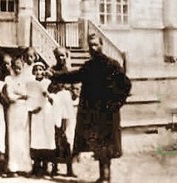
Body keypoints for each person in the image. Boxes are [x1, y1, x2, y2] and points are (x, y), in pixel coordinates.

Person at [49, 33, 132, 183]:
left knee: (107, 145)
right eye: (90, 45)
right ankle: (103, 176)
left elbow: (126, 85)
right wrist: (55, 76)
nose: (93, 48)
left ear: (101, 45)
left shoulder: (112, 65)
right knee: (99, 144)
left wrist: (116, 103)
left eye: (96, 44)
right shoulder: (89, 66)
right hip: (93, 112)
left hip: (108, 112)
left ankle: (106, 177)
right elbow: (74, 76)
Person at [3, 56, 31, 176]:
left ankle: (25, 167)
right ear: (12, 66)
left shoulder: (27, 79)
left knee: (24, 137)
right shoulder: (8, 79)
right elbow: (10, 96)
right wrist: (21, 95)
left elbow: (28, 94)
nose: (18, 68)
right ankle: (13, 167)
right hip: (13, 110)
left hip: (23, 110)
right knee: (13, 137)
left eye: (20, 65)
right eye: (15, 65)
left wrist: (20, 95)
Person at [29, 62, 56, 177]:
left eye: (40, 69)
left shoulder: (49, 83)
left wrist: (48, 94)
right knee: (36, 137)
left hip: (47, 112)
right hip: (36, 113)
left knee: (47, 136)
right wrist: (31, 109)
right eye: (36, 70)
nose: (38, 72)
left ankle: (46, 165)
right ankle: (36, 165)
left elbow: (54, 100)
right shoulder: (31, 84)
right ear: (33, 72)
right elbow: (29, 97)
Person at [51, 83, 79, 178]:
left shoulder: (68, 93)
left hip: (67, 120)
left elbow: (75, 97)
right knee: (56, 144)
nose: (60, 84)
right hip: (56, 120)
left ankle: (69, 169)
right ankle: (54, 168)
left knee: (67, 144)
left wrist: (73, 89)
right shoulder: (54, 93)